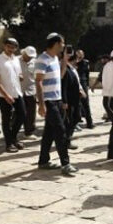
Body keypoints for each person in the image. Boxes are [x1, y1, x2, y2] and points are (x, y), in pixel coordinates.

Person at [35, 33, 77, 176]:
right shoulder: (42, 59)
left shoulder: (54, 59)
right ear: (56, 43)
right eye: (63, 43)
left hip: (57, 100)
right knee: (61, 132)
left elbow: (61, 75)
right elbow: (38, 81)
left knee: (49, 133)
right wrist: (41, 104)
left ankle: (43, 161)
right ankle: (65, 164)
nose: (64, 45)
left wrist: (64, 59)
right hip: (49, 101)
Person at [0, 38, 26, 153]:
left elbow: (19, 73)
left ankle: (13, 137)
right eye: (9, 46)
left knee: (22, 114)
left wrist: (20, 76)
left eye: (14, 47)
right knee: (6, 119)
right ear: (4, 46)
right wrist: (6, 95)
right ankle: (9, 143)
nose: (11, 49)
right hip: (3, 95)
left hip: (17, 92)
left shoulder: (15, 59)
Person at [61, 50, 84, 150]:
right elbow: (63, 87)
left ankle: (66, 138)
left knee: (76, 118)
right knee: (69, 121)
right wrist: (64, 101)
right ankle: (66, 140)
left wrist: (80, 90)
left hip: (75, 99)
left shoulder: (73, 69)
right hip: (69, 100)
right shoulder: (66, 70)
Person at [20, 46, 37, 136]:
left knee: (31, 112)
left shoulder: (34, 62)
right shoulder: (16, 61)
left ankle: (29, 130)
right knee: (19, 112)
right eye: (28, 56)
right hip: (19, 90)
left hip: (31, 90)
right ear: (23, 53)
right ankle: (14, 129)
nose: (29, 58)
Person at [76, 50, 94, 129]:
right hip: (75, 83)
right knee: (76, 104)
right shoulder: (73, 62)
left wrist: (87, 84)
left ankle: (89, 122)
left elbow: (87, 73)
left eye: (81, 55)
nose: (79, 56)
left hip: (83, 83)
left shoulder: (85, 63)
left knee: (86, 103)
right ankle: (77, 119)